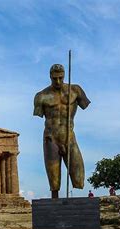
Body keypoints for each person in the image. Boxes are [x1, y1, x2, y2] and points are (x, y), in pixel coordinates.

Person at [34, 64, 91, 199]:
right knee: (54, 177)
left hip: (69, 136)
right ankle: (55, 199)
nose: (58, 81)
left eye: (60, 78)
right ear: (50, 77)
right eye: (55, 79)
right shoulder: (41, 96)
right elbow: (39, 114)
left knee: (78, 174)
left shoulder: (75, 90)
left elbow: (84, 105)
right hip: (51, 137)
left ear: (64, 76)